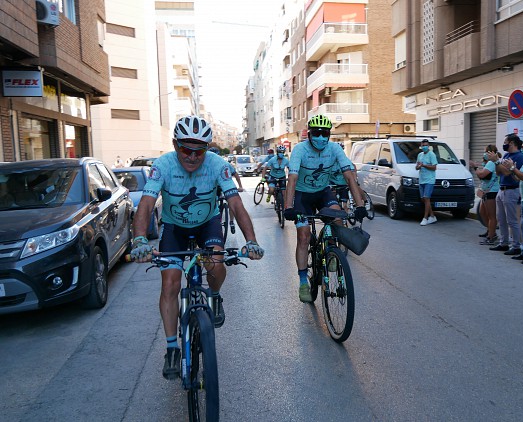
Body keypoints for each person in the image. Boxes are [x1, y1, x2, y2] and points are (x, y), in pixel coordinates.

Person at [129, 115, 264, 380]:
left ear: (208, 148)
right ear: (174, 144)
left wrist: (251, 241)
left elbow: (236, 205)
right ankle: (171, 348)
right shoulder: (163, 166)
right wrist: (140, 240)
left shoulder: (218, 165)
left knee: (215, 263)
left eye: (199, 150)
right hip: (174, 227)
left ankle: (214, 297)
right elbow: (145, 204)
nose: (192, 156)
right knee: (169, 283)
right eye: (185, 149)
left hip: (207, 224)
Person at [283, 114, 367, 302]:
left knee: (338, 218)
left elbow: (349, 176)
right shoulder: (299, 150)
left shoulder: (334, 149)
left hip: (323, 192)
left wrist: (360, 206)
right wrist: (288, 207)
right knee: (304, 236)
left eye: (325, 133)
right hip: (302, 196)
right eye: (316, 133)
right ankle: (304, 281)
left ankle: (331, 250)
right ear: (309, 133)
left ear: (329, 134)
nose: (321, 137)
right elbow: (293, 178)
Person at [488, 133, 523, 255]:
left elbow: (509, 173)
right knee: (501, 218)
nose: (504, 144)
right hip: (502, 188)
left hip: (512, 190)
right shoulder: (506, 155)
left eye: (506, 142)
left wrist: (498, 163)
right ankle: (503, 242)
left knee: (512, 220)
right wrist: (497, 163)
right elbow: (500, 172)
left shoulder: (520, 157)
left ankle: (516, 245)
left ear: (512, 143)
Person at [470, 145, 500, 245]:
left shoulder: (491, 163)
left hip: (492, 191)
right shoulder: (488, 163)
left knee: (491, 216)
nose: (484, 154)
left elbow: (482, 174)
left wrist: (475, 167)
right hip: (486, 190)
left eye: (485, 151)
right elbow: (483, 177)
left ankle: (492, 237)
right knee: (482, 212)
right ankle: (490, 231)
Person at [210, 147, 244, 234]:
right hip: (212, 187)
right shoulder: (205, 165)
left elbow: (235, 174)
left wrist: (240, 186)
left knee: (231, 201)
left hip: (223, 186)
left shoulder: (224, 164)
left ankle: (231, 222)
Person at [415, 139, 437, 226]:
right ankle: (432, 216)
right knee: (423, 199)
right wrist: (419, 166)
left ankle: (425, 218)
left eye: (426, 145)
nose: (424, 147)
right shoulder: (419, 155)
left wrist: (424, 165)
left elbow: (434, 167)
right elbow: (416, 167)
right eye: (423, 145)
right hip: (422, 179)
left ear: (428, 146)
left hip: (430, 180)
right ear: (421, 146)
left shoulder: (432, 155)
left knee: (426, 198)